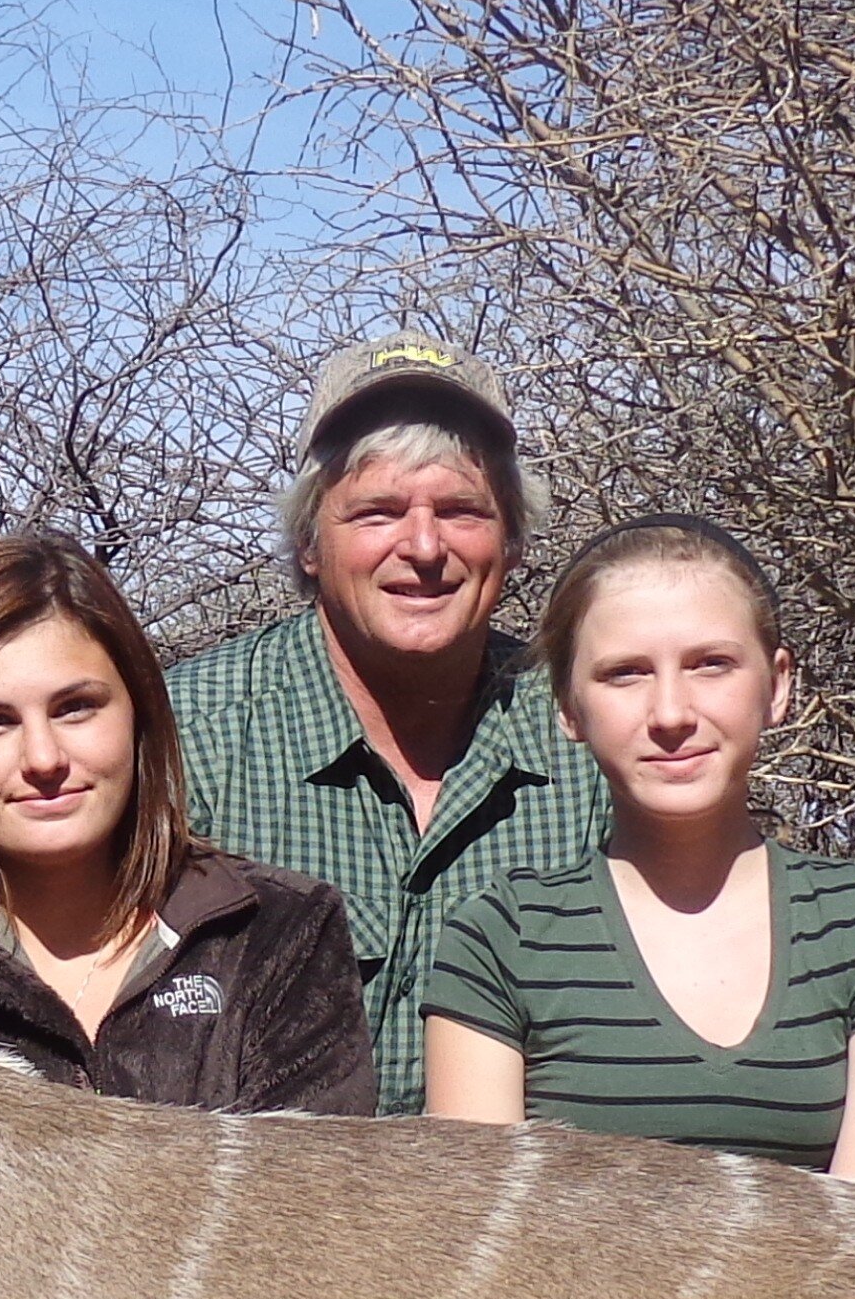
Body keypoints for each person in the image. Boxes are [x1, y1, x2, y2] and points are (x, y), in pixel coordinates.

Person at [423, 516, 855, 1184]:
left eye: (711, 665)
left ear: (778, 684)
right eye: (625, 674)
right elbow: (483, 1230)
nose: (671, 713)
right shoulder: (501, 939)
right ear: (568, 707)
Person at [0, 529, 375, 1113]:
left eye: (76, 708)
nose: (43, 759)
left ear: (139, 712)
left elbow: (315, 1204)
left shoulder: (279, 932)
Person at [167, 340, 607, 1112]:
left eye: (463, 511)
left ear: (511, 541)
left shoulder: (589, 735)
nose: (425, 547)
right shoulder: (189, 741)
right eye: (378, 512)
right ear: (308, 542)